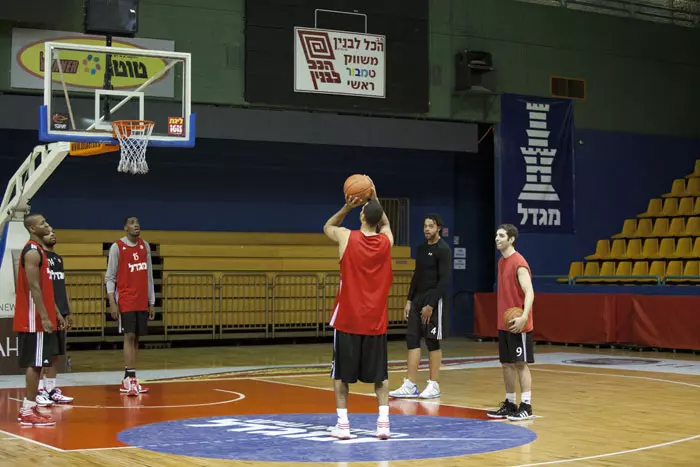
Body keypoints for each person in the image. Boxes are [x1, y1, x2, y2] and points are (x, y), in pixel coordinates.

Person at [323, 182, 394, 440]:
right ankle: (383, 424)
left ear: (362, 216)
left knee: (341, 375)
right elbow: (385, 225)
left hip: (348, 320)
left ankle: (343, 426)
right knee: (380, 376)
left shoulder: (346, 236)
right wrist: (374, 198)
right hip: (375, 321)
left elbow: (327, 226)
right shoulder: (386, 243)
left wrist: (346, 206)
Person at [390, 214, 451, 399]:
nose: (427, 229)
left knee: (432, 341)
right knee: (412, 339)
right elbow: (416, 275)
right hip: (417, 299)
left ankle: (434, 385)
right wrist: (409, 300)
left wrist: (431, 304)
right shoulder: (421, 248)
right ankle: (410, 384)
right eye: (425, 226)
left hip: (433, 298)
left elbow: (444, 280)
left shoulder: (443, 250)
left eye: (430, 226)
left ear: (438, 228)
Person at [13, 213, 64, 426]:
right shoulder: (32, 252)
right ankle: (27, 409)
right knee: (35, 365)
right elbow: (34, 288)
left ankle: (31, 407)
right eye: (42, 223)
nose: (47, 224)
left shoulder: (41, 251)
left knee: (39, 364)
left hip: (40, 315)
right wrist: (44, 317)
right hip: (33, 318)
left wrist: (57, 313)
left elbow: (45, 287)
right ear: (33, 229)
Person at [487, 224, 535, 421]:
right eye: (496, 235)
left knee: (521, 364)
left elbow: (530, 292)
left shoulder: (519, 263)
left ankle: (526, 405)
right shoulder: (501, 262)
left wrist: (524, 317)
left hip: (518, 322)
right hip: (504, 323)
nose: (497, 238)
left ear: (511, 239)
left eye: (501, 236)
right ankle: (509, 403)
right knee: (506, 364)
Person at [105, 216, 155, 396]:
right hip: (125, 299)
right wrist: (112, 302)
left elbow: (149, 276)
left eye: (138, 223)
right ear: (125, 227)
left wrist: (151, 302)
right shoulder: (117, 247)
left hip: (142, 300)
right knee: (129, 335)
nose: (136, 225)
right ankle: (129, 378)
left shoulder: (145, 246)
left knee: (137, 338)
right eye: (132, 223)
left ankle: (131, 377)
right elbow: (110, 277)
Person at [36, 227, 74, 405]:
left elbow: (62, 284)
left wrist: (69, 310)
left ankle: (51, 390)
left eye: (53, 232)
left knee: (56, 353)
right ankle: (39, 390)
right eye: (48, 232)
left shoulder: (58, 258)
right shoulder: (38, 256)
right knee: (44, 353)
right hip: (48, 311)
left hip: (61, 310)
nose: (53, 234)